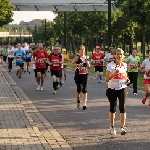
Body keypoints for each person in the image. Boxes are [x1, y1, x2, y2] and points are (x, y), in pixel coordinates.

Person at [105, 48, 130, 136]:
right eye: (117, 54)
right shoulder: (110, 66)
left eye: (121, 54)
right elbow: (107, 79)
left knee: (122, 107)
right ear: (114, 56)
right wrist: (114, 73)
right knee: (113, 108)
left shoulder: (124, 65)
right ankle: (112, 127)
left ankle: (122, 128)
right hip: (112, 89)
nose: (119, 56)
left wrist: (127, 80)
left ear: (123, 56)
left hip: (122, 87)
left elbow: (125, 76)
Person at [71, 45, 90, 110]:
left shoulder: (86, 57)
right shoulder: (77, 57)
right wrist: (78, 64)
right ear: (79, 50)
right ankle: (78, 101)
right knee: (79, 88)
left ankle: (84, 104)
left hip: (85, 74)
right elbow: (72, 65)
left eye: (83, 49)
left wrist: (88, 64)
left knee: (84, 89)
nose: (82, 50)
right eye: (81, 49)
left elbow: (89, 66)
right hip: (78, 74)